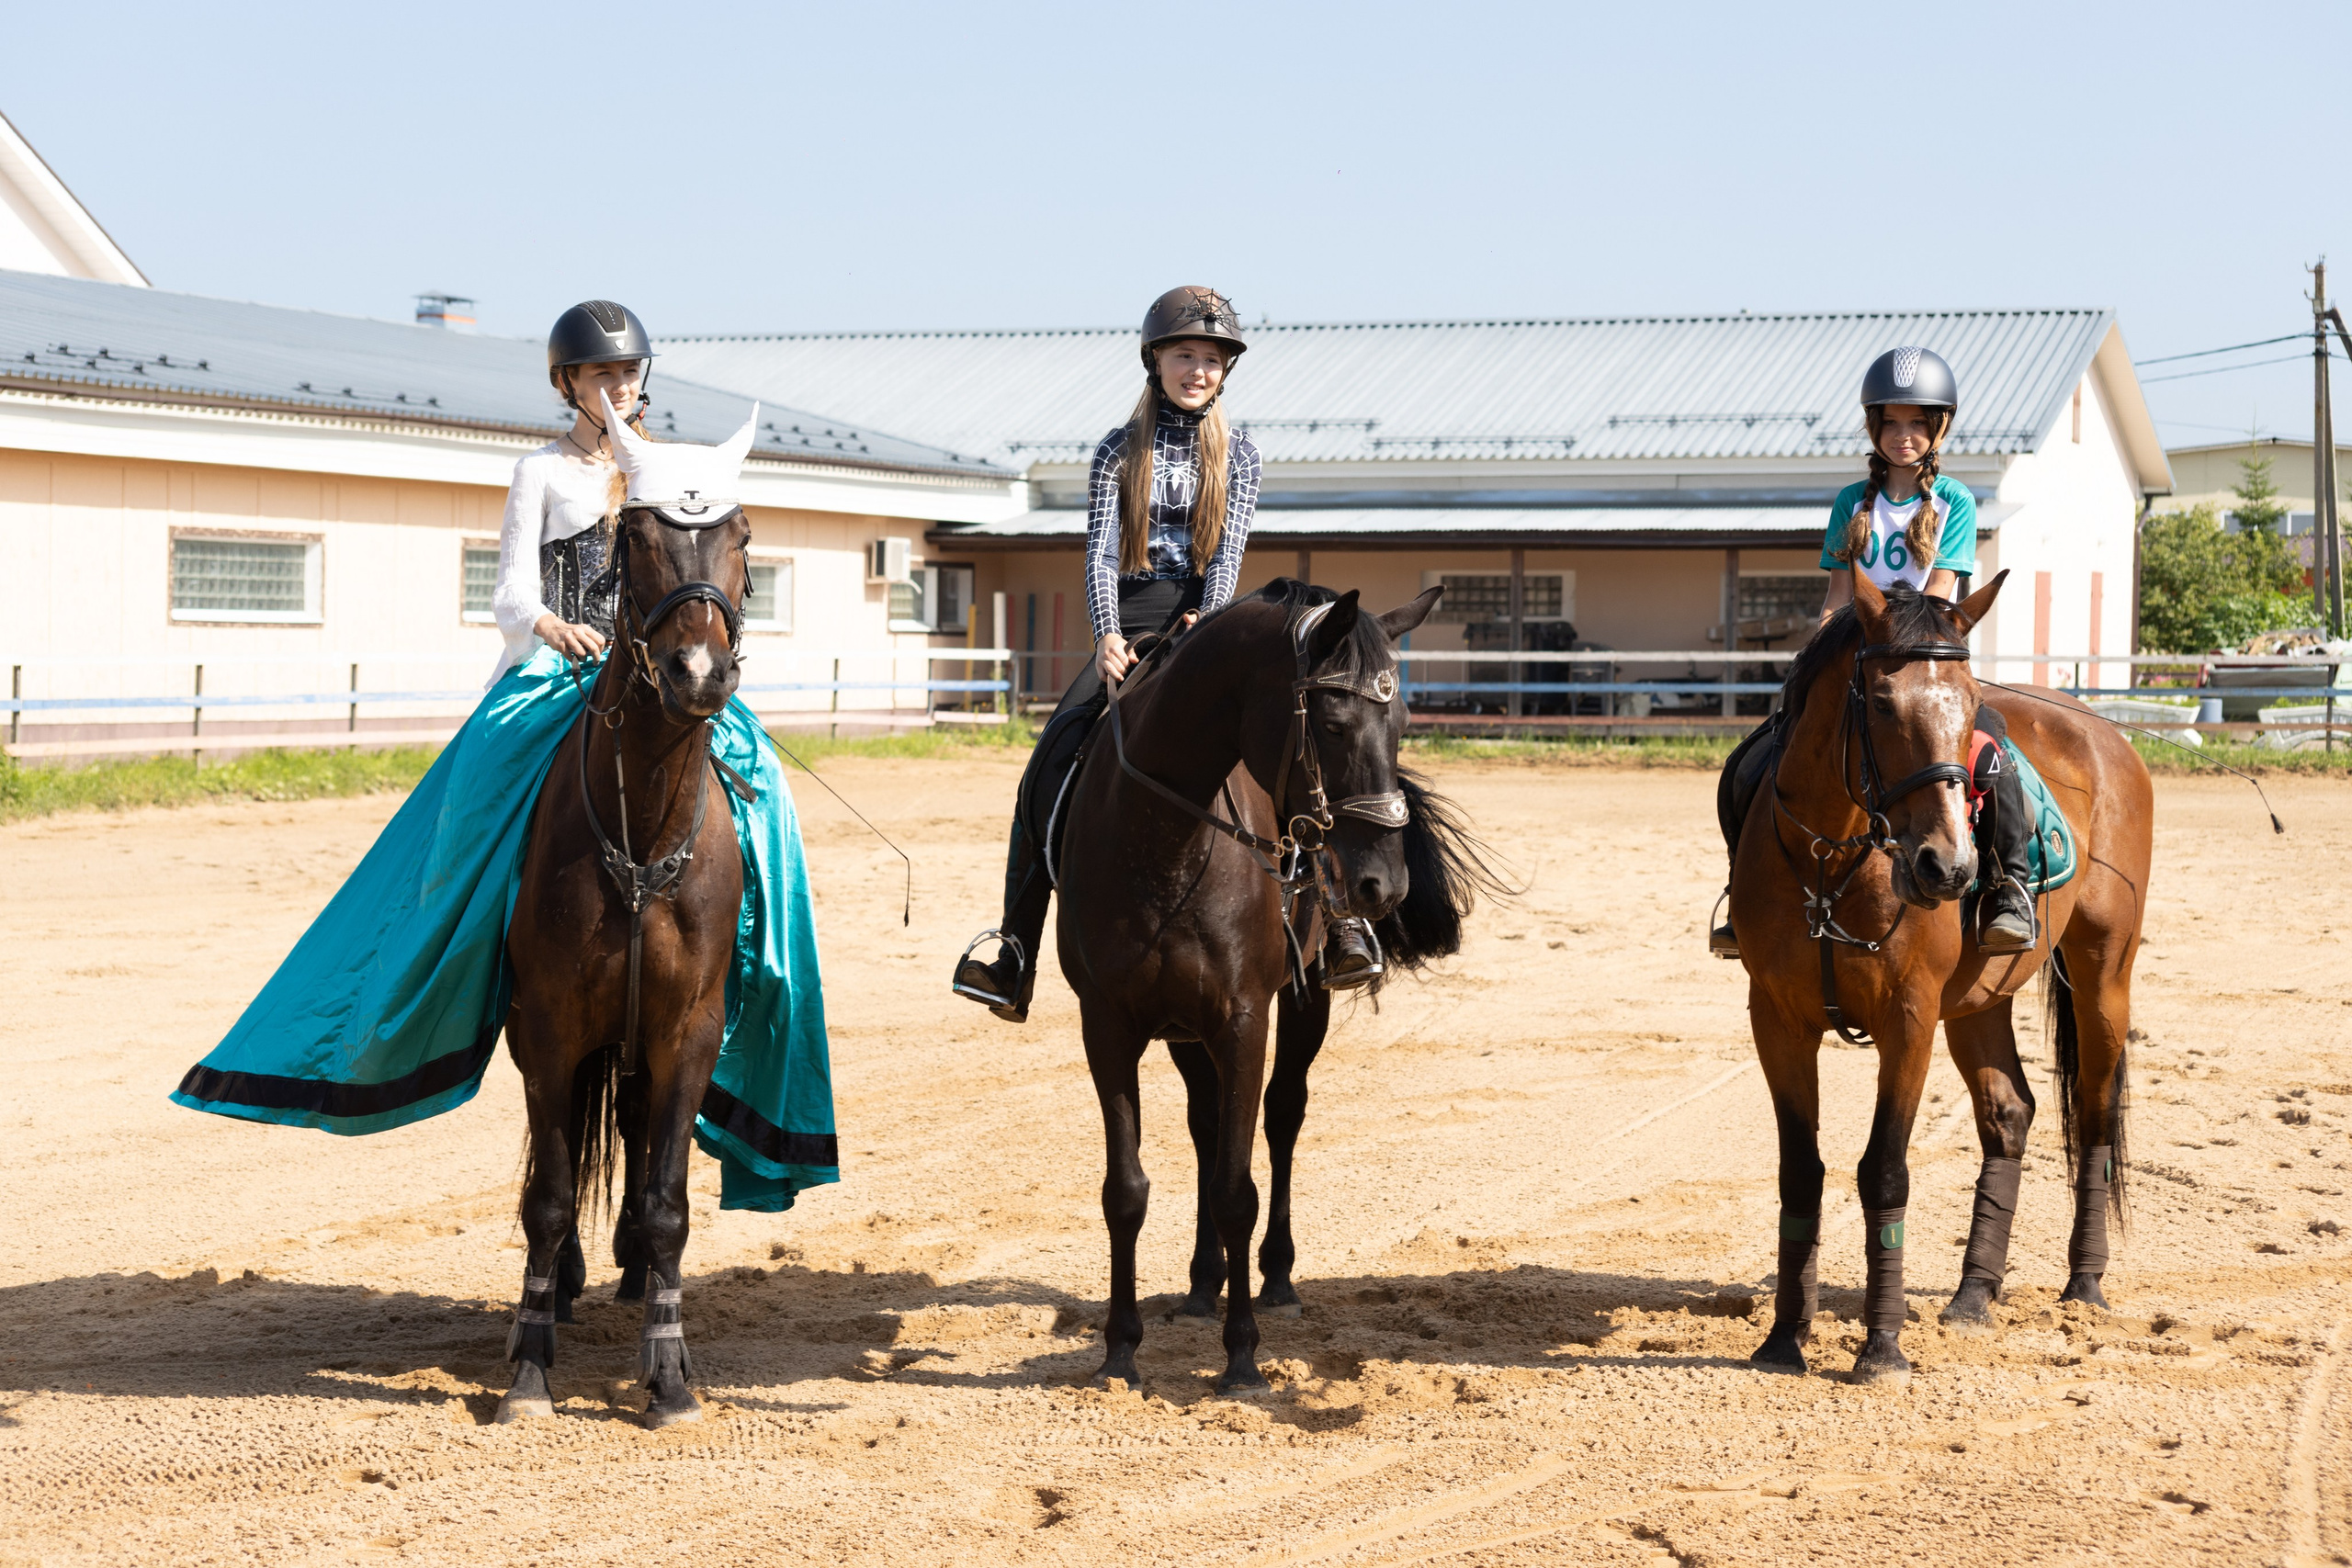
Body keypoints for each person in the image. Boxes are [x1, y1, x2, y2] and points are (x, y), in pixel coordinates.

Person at [170, 301, 838, 1216]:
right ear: (567, 384)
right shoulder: (542, 471)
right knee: (474, 803)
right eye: (599, 377)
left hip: (659, 670)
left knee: (762, 795)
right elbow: (510, 592)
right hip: (555, 669)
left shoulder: (669, 469)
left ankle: (765, 971)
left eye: (628, 374)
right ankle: (462, 946)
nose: (617, 388)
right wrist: (550, 625)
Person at [950, 286, 1384, 1023]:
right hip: (1130, 609)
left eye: (1212, 359)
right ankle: (1015, 948)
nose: (1198, 370)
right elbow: (1097, 553)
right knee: (1051, 756)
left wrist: (1206, 628)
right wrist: (1107, 633)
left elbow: (1229, 554)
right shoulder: (1119, 451)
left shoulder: (1239, 455)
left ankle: (1337, 918)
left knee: (1286, 744)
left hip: (1206, 616)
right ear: (1155, 361)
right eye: (1185, 355)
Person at [1709, 345, 2038, 958]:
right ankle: (1742, 893)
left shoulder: (1954, 503)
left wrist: (1894, 640)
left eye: (1917, 424)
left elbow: (1941, 596)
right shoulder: (1849, 505)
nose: (1903, 436)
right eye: (1891, 423)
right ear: (1874, 428)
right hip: (1857, 659)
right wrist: (1825, 652)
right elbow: (1837, 598)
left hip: (1927, 660)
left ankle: (2007, 887)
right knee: (1747, 765)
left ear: (1937, 429)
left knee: (1992, 755)